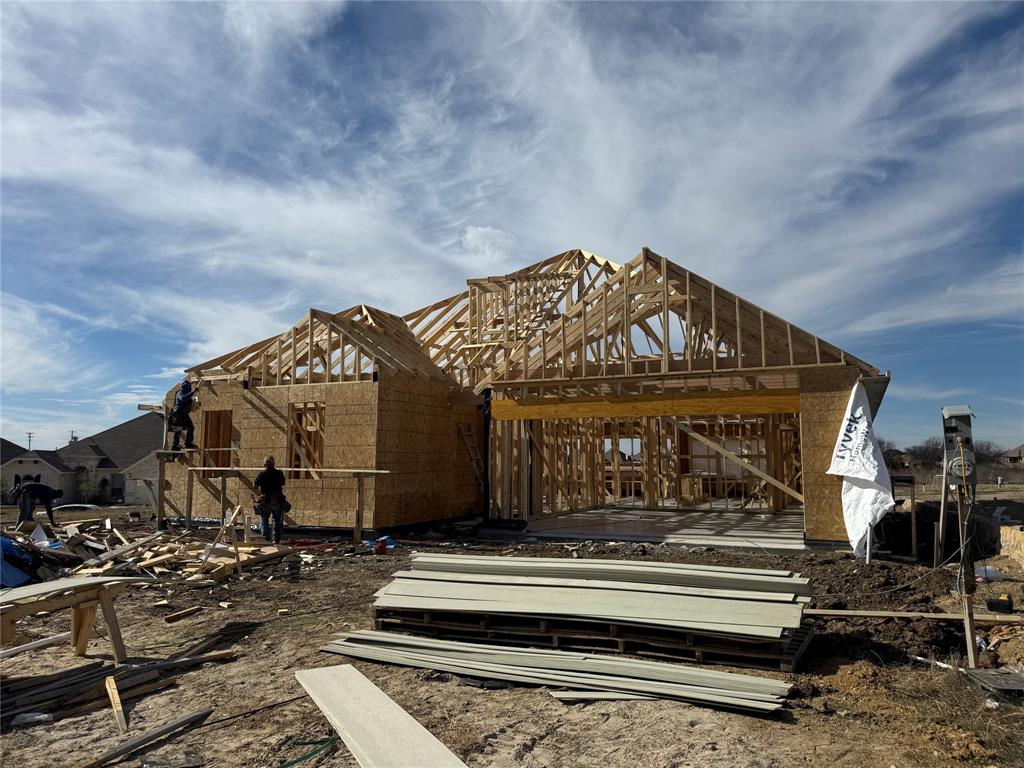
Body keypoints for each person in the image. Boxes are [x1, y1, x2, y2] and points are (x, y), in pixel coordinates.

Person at [254, 455, 289, 544]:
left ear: (264, 463)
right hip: (277, 499)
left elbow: (254, 486)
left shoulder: (262, 474)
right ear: (274, 463)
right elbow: (283, 483)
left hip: (266, 500)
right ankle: (276, 540)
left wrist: (260, 494)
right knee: (277, 520)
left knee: (264, 519)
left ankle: (266, 539)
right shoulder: (279, 473)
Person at [170, 379, 200, 451]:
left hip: (184, 415)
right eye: (189, 385)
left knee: (191, 427)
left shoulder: (188, 394)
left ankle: (188, 443)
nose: (190, 386)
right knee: (178, 430)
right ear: (186, 386)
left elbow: (190, 402)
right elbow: (184, 398)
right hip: (178, 414)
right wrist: (193, 391)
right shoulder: (180, 393)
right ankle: (175, 446)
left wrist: (197, 402)